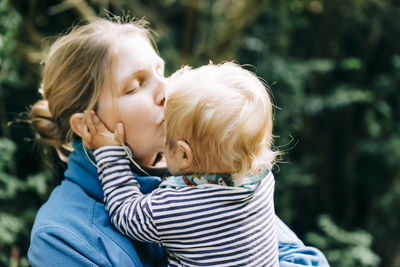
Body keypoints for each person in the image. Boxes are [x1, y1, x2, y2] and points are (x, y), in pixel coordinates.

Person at [28, 17, 329, 266]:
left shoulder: (209, 174)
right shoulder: (61, 238)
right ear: (85, 123)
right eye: (135, 87)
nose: (167, 90)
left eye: (161, 72)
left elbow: (306, 259)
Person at [81, 62, 279, 266]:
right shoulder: (261, 181)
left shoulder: (176, 207)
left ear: (184, 154)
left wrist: (110, 152)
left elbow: (125, 213)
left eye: (164, 131)